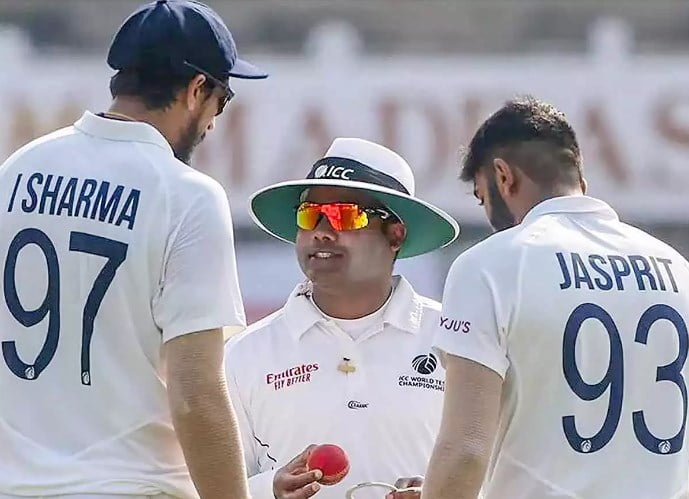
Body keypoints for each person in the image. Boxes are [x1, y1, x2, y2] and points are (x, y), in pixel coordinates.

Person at [0, 1, 267, 498]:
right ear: (196, 90)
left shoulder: (18, 169)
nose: (214, 122)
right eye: (222, 100)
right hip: (131, 485)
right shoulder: (187, 195)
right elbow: (196, 395)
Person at [423, 96, 689, 499]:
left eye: (481, 196)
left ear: (503, 176)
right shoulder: (677, 268)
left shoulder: (490, 265)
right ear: (580, 179)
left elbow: (465, 451)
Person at [224, 138, 459, 499]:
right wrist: (267, 490)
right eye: (309, 215)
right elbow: (208, 483)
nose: (321, 231)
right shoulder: (242, 355)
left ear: (395, 235)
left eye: (344, 215)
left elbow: (506, 468)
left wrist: (447, 493)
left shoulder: (456, 338)